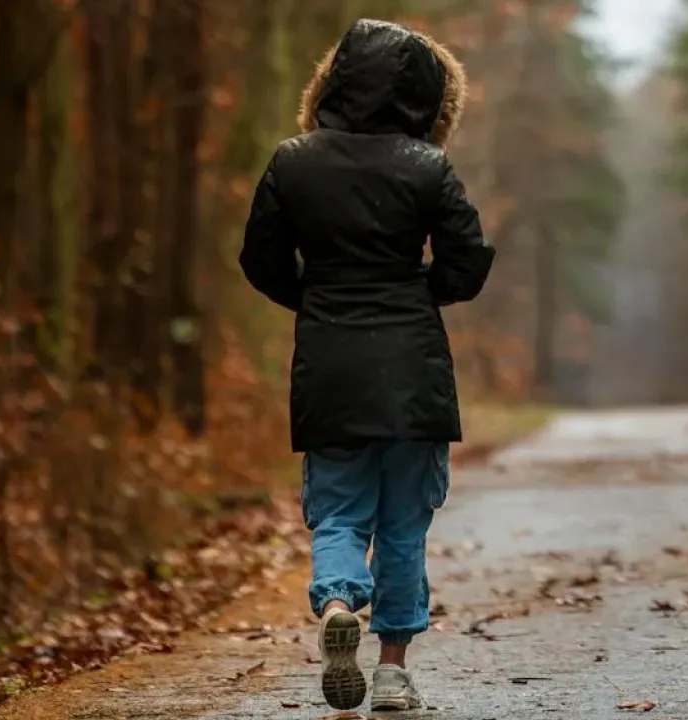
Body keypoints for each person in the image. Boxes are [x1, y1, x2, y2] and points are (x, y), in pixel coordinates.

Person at [238, 18, 494, 713]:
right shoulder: (428, 166)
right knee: (404, 523)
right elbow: (467, 265)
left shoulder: (292, 162)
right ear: (424, 97)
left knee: (340, 514)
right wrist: (419, 292)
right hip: (413, 367)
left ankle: (338, 604)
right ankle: (390, 673)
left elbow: (259, 260)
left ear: (336, 79)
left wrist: (316, 298)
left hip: (329, 365)